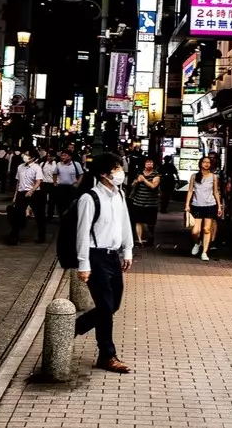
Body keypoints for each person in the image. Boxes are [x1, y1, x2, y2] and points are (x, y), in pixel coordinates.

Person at [71, 152, 133, 375]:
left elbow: (125, 223)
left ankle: (73, 327)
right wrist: (83, 264)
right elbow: (82, 233)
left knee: (113, 305)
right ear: (104, 173)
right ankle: (107, 355)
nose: (120, 172)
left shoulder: (120, 195)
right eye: (116, 168)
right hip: (95, 257)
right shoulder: (90, 198)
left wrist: (128, 250)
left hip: (113, 256)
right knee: (106, 308)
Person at [186, 154, 224, 259]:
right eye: (204, 162)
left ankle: (204, 252)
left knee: (207, 229)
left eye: (208, 162)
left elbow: (215, 192)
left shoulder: (213, 177)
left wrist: (219, 206)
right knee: (195, 231)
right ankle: (197, 243)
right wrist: (187, 205)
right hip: (197, 205)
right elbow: (190, 191)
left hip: (210, 205)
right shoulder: (194, 176)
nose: (206, 164)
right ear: (200, 164)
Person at [4, 151, 45, 246]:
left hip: (35, 193)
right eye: (25, 154)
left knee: (39, 216)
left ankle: (41, 236)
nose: (25, 156)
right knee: (18, 215)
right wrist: (15, 195)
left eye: (28, 155)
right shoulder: (20, 167)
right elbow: (18, 181)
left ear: (33, 158)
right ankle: (14, 237)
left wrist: (31, 191)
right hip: (22, 193)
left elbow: (38, 182)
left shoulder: (37, 168)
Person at [126, 157, 162, 246]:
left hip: (151, 203)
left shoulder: (156, 175)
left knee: (151, 223)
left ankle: (150, 237)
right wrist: (136, 181)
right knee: (138, 221)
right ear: (144, 164)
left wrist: (144, 180)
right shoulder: (139, 173)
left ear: (153, 165)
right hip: (138, 201)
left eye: (151, 163)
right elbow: (132, 185)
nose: (149, 164)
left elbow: (153, 186)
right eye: (147, 163)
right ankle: (139, 240)